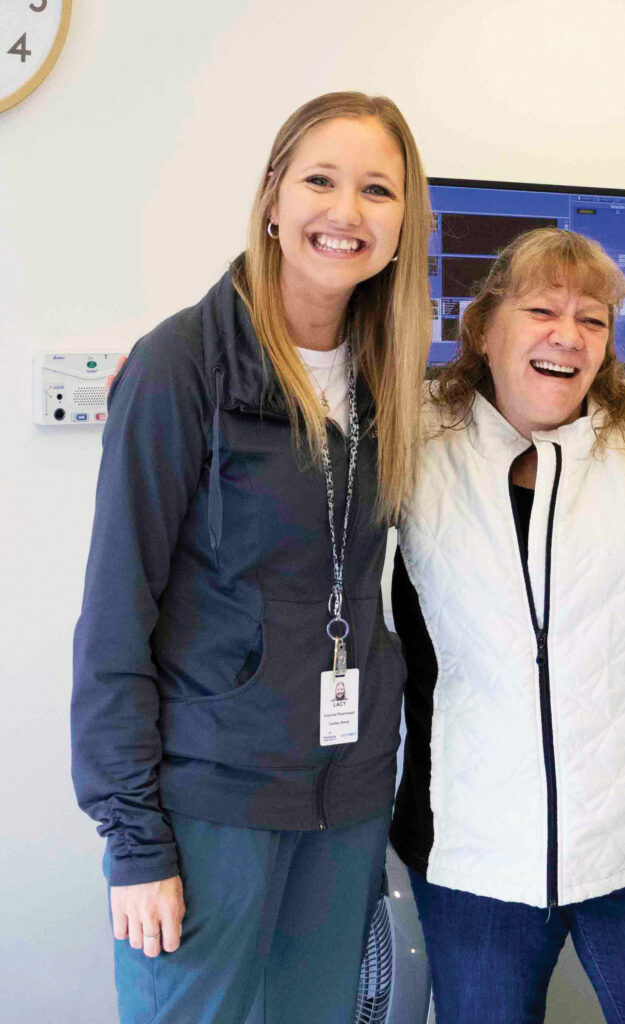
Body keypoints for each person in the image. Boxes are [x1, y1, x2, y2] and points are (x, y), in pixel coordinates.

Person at [71, 91, 430, 1024]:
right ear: (272, 199)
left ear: (404, 221)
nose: (346, 212)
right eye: (320, 180)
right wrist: (134, 842)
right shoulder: (181, 365)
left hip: (344, 808)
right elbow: (115, 614)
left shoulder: (390, 378)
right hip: (209, 807)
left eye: (377, 190)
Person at [390, 228, 625, 1023]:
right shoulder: (412, 452)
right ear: (484, 330)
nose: (569, 334)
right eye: (543, 309)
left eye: (593, 319)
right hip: (471, 863)